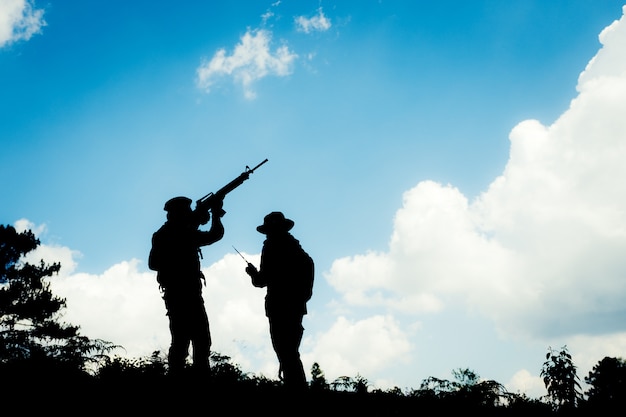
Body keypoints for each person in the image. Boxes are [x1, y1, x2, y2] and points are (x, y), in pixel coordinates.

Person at [148, 196, 225, 377]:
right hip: (181, 294)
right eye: (186, 211)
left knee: (196, 341)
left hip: (183, 293)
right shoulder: (174, 234)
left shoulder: (171, 232)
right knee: (191, 341)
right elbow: (215, 235)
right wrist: (215, 214)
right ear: (179, 213)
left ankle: (188, 378)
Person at [245, 211, 314, 390]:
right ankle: (297, 387)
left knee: (285, 351)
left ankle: (296, 389)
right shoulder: (295, 247)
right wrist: (303, 295)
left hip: (279, 305)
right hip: (296, 306)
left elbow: (262, 280)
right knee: (291, 351)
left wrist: (252, 274)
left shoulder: (271, 246)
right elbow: (309, 265)